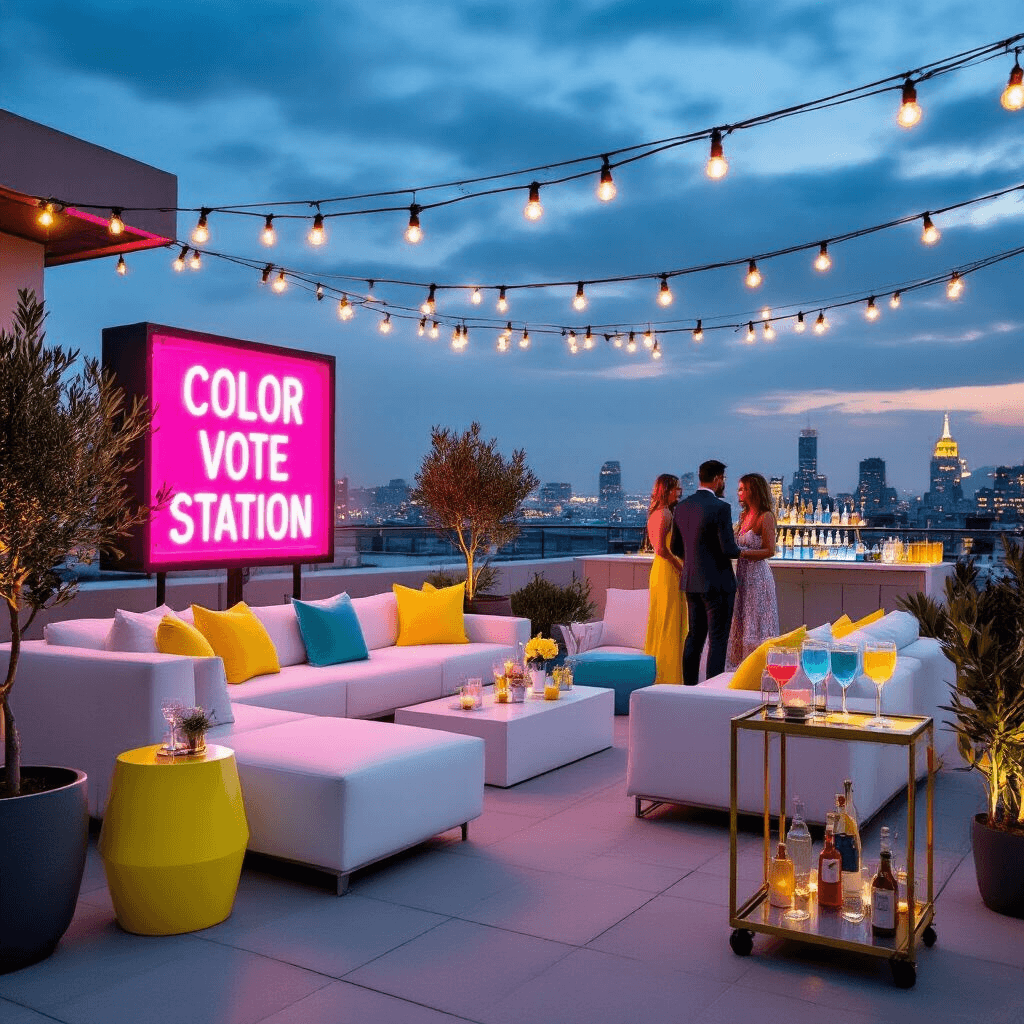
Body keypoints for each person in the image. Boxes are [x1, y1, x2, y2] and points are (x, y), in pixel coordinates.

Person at [672, 459, 741, 685]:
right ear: (718, 479)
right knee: (718, 640)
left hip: (691, 582)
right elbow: (729, 549)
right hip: (718, 584)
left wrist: (695, 560)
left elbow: (675, 548)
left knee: (694, 637)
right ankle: (712, 690)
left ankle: (689, 687)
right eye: (724, 480)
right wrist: (747, 550)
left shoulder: (682, 506)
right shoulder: (721, 508)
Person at [726, 473, 780, 669]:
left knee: (757, 621)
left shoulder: (766, 517)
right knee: (741, 620)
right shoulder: (743, 516)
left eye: (742, 489)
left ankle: (758, 668)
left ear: (753, 490)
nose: (739, 492)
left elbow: (769, 550)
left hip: (758, 577)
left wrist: (742, 554)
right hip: (742, 576)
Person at [643, 474, 687, 684]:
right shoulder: (664, 514)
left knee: (663, 621)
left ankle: (661, 674)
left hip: (662, 571)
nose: (679, 492)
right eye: (677, 488)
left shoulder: (657, 512)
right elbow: (661, 548)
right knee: (668, 622)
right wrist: (680, 567)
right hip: (667, 571)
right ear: (667, 490)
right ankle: (668, 677)